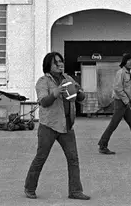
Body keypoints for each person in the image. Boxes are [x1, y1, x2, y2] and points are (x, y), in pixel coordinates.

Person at [24, 52, 90, 201]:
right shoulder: (43, 82)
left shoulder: (68, 79)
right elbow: (44, 102)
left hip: (67, 126)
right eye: (56, 62)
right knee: (41, 157)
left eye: (61, 61)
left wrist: (78, 91)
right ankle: (29, 187)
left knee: (73, 159)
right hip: (49, 126)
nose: (60, 64)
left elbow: (80, 99)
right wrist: (55, 93)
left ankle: (75, 191)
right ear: (49, 65)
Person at [97, 53, 131, 155]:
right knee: (113, 125)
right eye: (129, 60)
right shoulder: (120, 73)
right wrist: (126, 100)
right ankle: (102, 146)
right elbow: (117, 88)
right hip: (120, 102)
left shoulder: (128, 73)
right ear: (124, 62)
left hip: (125, 103)